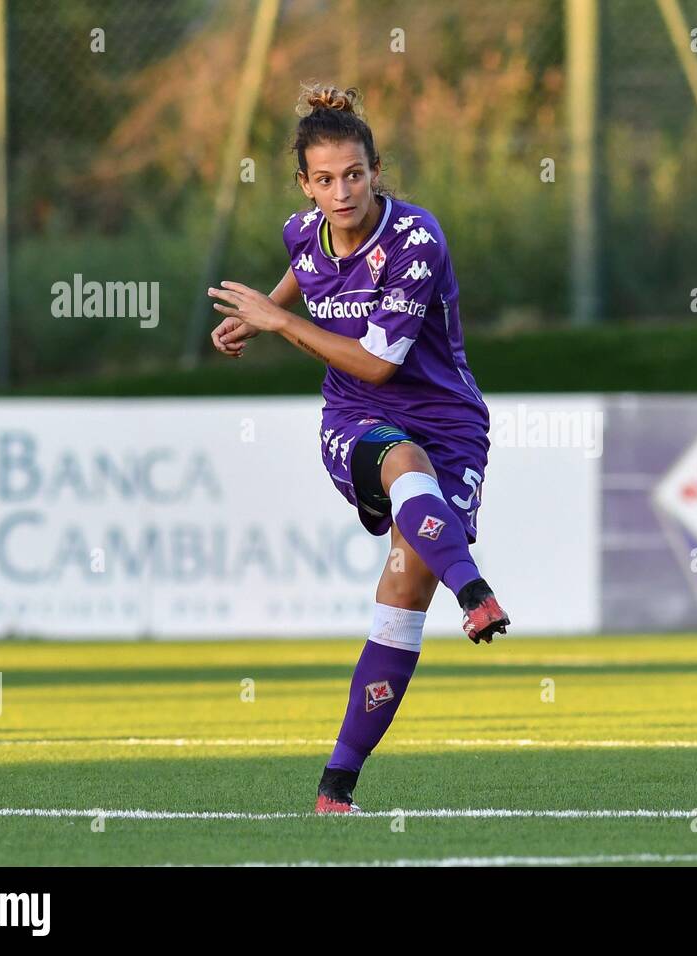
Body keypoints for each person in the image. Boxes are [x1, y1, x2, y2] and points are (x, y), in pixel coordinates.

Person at [207, 84, 510, 814]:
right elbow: (309, 272)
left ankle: (335, 787)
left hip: (449, 420)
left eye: (354, 174)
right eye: (324, 180)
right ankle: (477, 593)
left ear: (376, 170)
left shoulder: (416, 241)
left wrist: (276, 323)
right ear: (304, 185)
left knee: (404, 594)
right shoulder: (301, 231)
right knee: (401, 462)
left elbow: (381, 359)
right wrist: (268, 313)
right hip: (358, 417)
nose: (341, 191)